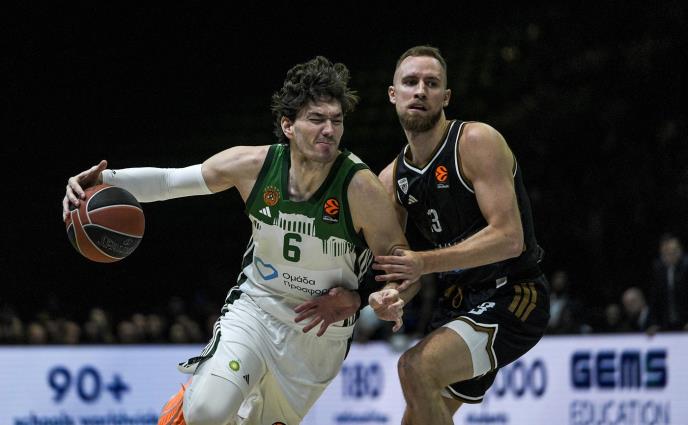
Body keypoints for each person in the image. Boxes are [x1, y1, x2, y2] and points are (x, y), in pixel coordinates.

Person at [63, 56, 408, 425]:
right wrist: (101, 182)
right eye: (316, 119)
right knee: (207, 412)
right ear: (288, 125)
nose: (329, 130)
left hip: (320, 333)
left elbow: (401, 260)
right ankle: (189, 402)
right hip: (257, 309)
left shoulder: (359, 186)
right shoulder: (254, 166)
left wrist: (368, 297)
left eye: (336, 121)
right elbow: (169, 182)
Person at [369, 46, 550, 424]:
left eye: (431, 83)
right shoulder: (391, 179)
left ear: (446, 97)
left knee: (415, 367)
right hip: (459, 303)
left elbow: (509, 238)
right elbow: (402, 274)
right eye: (411, 82)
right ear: (393, 94)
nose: (421, 90)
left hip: (514, 294)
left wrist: (423, 263)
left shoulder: (475, 141)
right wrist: (391, 296)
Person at [649, 233, 688, 331]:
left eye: (674, 251)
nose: (670, 255)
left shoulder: (686, 266)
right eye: (666, 252)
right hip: (666, 323)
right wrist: (654, 323)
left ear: (680, 251)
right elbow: (655, 298)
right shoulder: (658, 269)